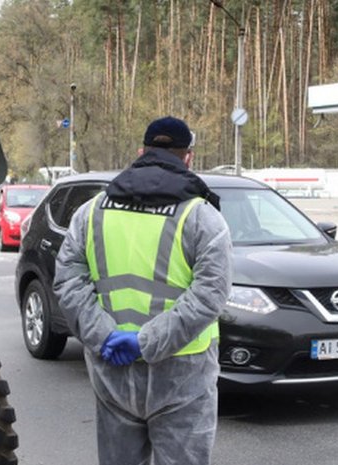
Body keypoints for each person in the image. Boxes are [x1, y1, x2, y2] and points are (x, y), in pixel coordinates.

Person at [53, 116, 233, 465]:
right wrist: (146, 342)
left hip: (112, 367)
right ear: (188, 158)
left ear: (141, 153)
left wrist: (103, 335)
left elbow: (68, 281)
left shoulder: (92, 212)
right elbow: (211, 294)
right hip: (182, 374)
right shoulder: (202, 217)